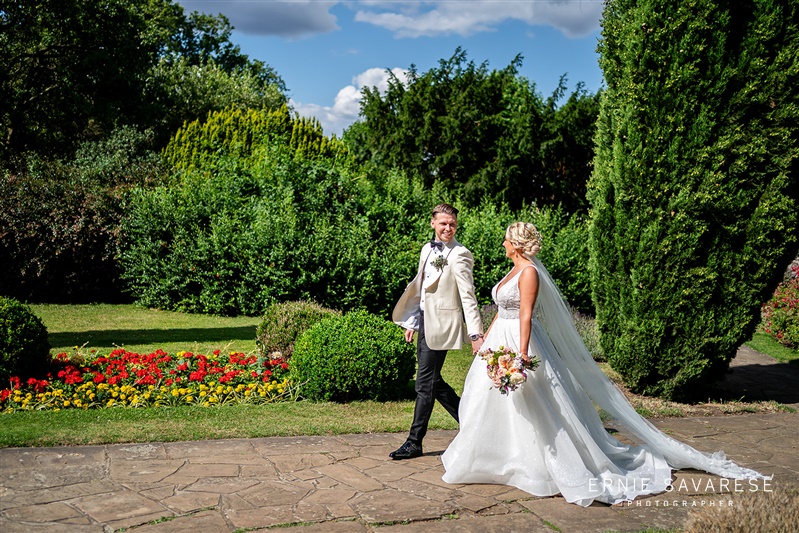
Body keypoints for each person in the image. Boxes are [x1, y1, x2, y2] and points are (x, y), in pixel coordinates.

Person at [441, 222, 766, 506]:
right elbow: (504, 307)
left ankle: (537, 466)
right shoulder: (512, 269)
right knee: (489, 401)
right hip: (500, 337)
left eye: (506, 239)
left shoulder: (529, 272)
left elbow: (526, 314)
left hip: (520, 341)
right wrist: (486, 339)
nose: (503, 243)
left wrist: (521, 357)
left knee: (535, 403)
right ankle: (492, 458)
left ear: (516, 244)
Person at [390, 203, 484, 460]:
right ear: (433, 223)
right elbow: (422, 290)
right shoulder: (426, 250)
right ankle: (470, 422)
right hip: (424, 323)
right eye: (443, 223)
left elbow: (468, 297)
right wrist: (412, 323)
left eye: (452, 224)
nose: (448, 228)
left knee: (423, 384)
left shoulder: (461, 254)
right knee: (432, 381)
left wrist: (475, 334)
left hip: (443, 326)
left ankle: (414, 442)